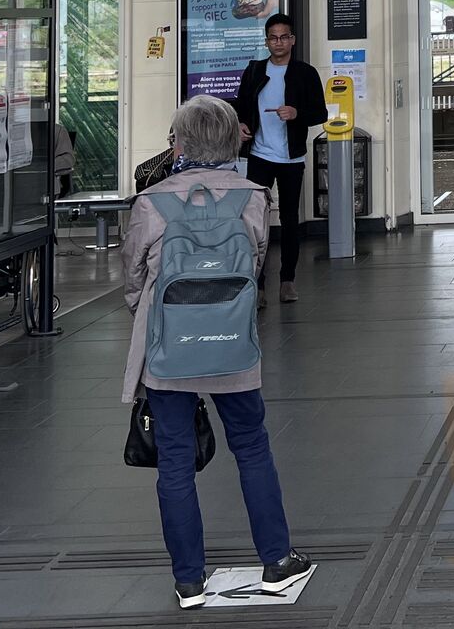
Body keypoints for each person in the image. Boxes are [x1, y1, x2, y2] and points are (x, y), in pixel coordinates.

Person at [122, 95, 311, 610]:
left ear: (179, 143)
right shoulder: (254, 198)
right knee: (251, 445)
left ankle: (189, 581)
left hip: (167, 351)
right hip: (233, 345)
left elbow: (134, 280)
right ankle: (277, 561)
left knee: (176, 460)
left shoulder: (149, 202)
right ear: (233, 141)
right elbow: (253, 266)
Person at [230, 15, 326, 304]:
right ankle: (257, 284)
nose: (279, 42)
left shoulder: (305, 73)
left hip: (291, 158)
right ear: (266, 40)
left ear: (292, 40)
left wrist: (297, 114)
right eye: (273, 37)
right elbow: (241, 105)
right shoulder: (255, 70)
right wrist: (241, 125)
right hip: (259, 156)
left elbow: (320, 114)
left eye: (284, 37)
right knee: (255, 220)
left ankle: (287, 280)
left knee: (289, 220)